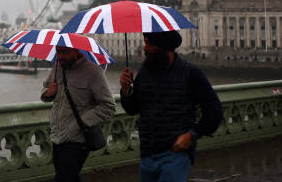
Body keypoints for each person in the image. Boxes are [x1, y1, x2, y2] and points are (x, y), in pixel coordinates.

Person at [120, 30, 223, 182]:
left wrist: (192, 135)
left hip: (175, 154)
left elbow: (215, 111)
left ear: (163, 46)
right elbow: (133, 109)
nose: (145, 48)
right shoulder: (146, 71)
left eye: (149, 43)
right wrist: (126, 90)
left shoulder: (190, 73)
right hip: (147, 154)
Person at [41, 46, 116, 181]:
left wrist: (81, 122)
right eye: (58, 52)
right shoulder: (57, 67)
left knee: (63, 178)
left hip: (78, 139)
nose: (60, 56)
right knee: (70, 177)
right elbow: (45, 87)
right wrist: (48, 93)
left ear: (76, 50)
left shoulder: (93, 72)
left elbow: (108, 106)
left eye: (65, 52)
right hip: (57, 136)